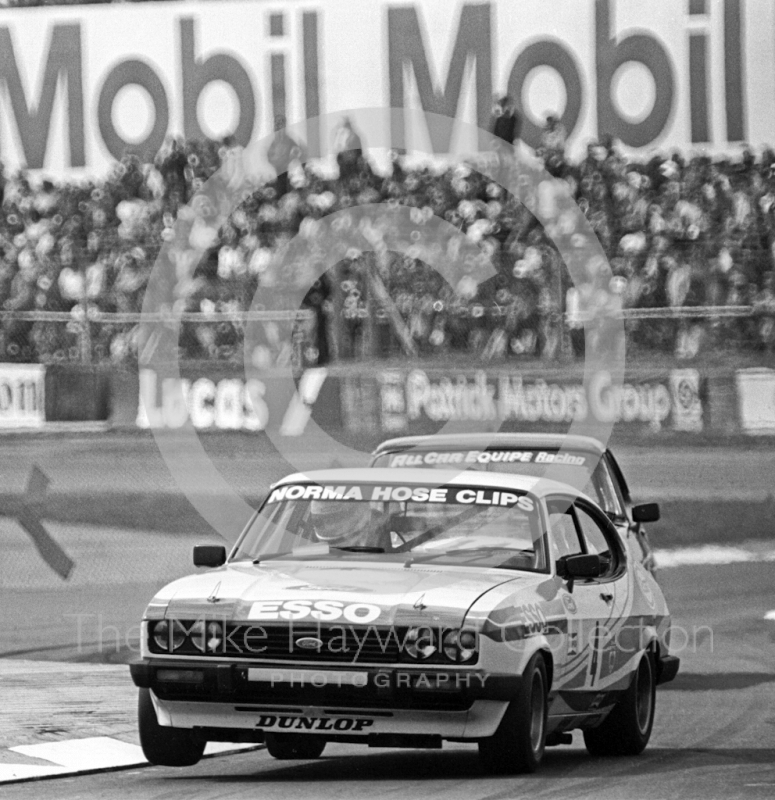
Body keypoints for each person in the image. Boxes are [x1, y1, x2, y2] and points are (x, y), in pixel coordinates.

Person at [309, 500, 388, 549]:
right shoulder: (310, 546)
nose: (328, 525)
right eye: (319, 521)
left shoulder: (384, 532)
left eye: (335, 518)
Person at [266, 115, 302, 198]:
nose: (277, 126)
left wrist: (290, 159)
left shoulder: (289, 141)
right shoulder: (272, 142)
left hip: (286, 173)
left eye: (280, 123)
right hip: (276, 173)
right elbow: (269, 155)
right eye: (276, 123)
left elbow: (297, 152)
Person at [334, 117, 364, 183]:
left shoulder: (354, 136)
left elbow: (358, 151)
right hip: (347, 161)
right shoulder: (344, 135)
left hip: (352, 161)